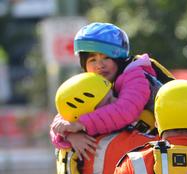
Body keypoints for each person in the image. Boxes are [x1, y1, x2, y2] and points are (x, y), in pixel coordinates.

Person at [50, 22, 162, 160]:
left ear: (119, 60)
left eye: (106, 58)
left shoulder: (136, 76)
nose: (99, 65)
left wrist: (80, 125)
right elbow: (62, 118)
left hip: (163, 149)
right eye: (92, 59)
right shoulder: (91, 83)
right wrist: (70, 134)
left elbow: (125, 111)